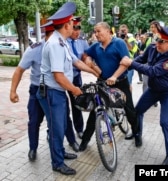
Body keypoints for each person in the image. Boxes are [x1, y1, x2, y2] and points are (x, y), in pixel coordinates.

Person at [36, 2, 100, 175]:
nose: (75, 26)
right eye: (73, 24)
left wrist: (96, 73)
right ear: (66, 25)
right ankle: (57, 162)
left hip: (58, 91)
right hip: (51, 93)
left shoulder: (62, 42)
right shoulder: (55, 44)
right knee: (57, 128)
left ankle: (61, 152)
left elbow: (77, 62)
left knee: (63, 123)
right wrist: (74, 89)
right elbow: (58, 76)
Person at [120, 26, 168, 165]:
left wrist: (130, 63)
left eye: (161, 42)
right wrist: (125, 66)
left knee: (165, 122)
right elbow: (142, 59)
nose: (157, 44)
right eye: (157, 40)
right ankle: (138, 134)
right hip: (153, 89)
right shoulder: (153, 48)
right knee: (137, 111)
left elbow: (153, 71)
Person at [79, 22, 141, 151]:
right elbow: (85, 54)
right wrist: (88, 59)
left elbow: (125, 62)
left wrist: (114, 76)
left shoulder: (119, 43)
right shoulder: (96, 46)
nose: (96, 34)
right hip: (102, 82)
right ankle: (85, 141)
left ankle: (137, 133)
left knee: (129, 109)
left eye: (98, 31)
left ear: (108, 31)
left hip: (120, 81)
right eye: (95, 32)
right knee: (95, 111)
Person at [9, 21, 54, 161]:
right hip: (37, 89)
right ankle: (33, 148)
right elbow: (19, 70)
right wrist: (13, 91)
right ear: (49, 34)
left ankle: (53, 142)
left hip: (55, 89)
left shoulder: (63, 45)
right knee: (34, 121)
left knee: (56, 120)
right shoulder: (34, 49)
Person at [67, 16, 89, 139]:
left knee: (77, 103)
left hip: (76, 76)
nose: (76, 31)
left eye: (78, 28)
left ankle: (79, 129)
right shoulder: (62, 41)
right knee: (61, 106)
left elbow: (87, 55)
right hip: (61, 77)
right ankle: (52, 132)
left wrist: (88, 59)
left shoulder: (82, 41)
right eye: (74, 28)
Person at [118, 24, 139, 92]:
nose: (123, 32)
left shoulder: (131, 39)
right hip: (118, 63)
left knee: (128, 83)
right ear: (119, 31)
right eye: (122, 30)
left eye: (124, 30)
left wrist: (126, 40)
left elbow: (130, 48)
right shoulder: (116, 39)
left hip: (128, 64)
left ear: (127, 30)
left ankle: (129, 100)